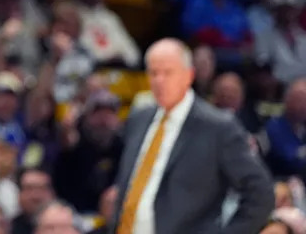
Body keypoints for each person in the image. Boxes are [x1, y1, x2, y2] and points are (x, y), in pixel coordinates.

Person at [111, 38, 273, 234]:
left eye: (168, 73)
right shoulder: (139, 117)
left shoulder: (218, 127)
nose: (159, 81)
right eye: (153, 73)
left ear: (188, 75)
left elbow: (261, 192)